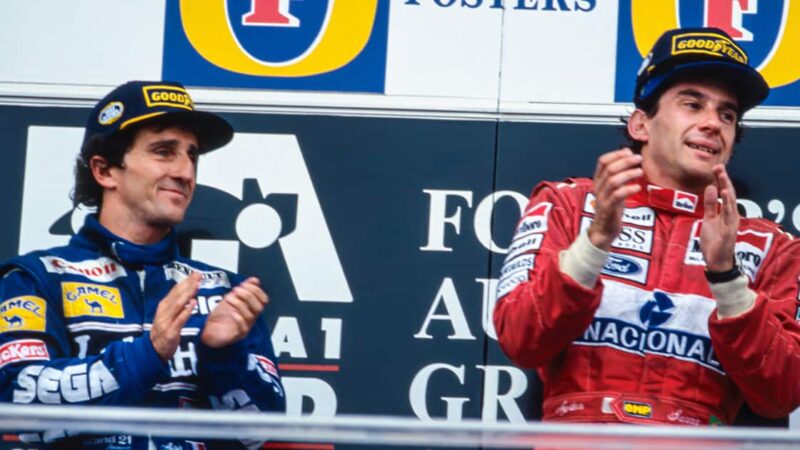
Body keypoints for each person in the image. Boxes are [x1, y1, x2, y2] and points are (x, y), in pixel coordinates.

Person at [493, 27, 800, 426]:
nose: (713, 123)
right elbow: (521, 339)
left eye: (727, 114)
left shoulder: (772, 247)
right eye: (692, 104)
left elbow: (782, 395)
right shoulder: (566, 205)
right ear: (641, 124)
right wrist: (596, 241)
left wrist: (726, 276)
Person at [0, 81, 286, 448]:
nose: (185, 172)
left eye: (192, 155)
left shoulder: (224, 292)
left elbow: (259, 435)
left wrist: (222, 356)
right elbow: (14, 398)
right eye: (164, 152)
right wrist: (147, 354)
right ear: (104, 170)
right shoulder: (37, 279)